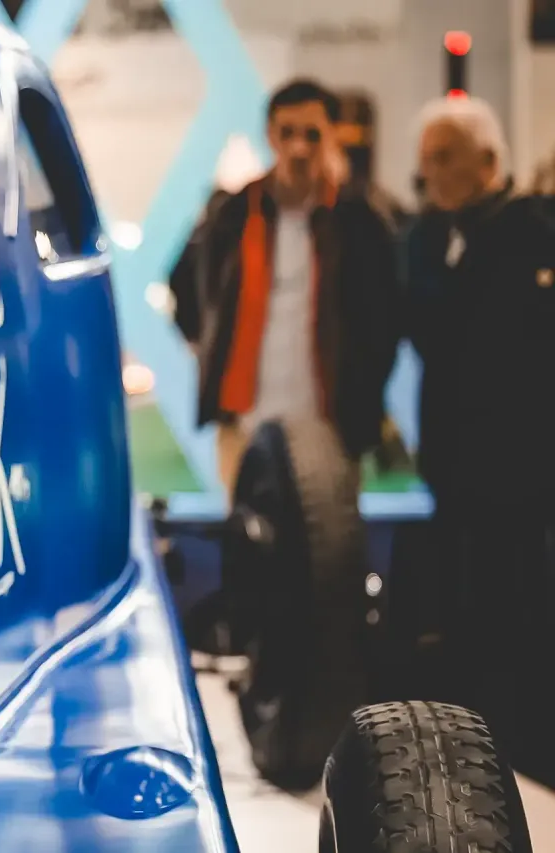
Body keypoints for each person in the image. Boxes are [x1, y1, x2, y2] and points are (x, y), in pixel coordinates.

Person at [403, 95, 555, 781]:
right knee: (468, 610)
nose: (429, 175)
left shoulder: (534, 234)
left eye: (444, 159)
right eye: (425, 161)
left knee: (522, 607)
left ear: (488, 161)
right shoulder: (430, 239)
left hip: (523, 470)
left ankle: (528, 744)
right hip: (455, 465)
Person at [169, 78, 402, 494]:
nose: (298, 148)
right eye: (287, 133)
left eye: (312, 135)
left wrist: (364, 391)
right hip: (244, 420)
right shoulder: (233, 216)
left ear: (332, 136)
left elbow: (385, 317)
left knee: (328, 531)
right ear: (270, 136)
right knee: (249, 528)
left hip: (331, 423)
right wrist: (210, 348)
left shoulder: (359, 221)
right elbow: (185, 286)